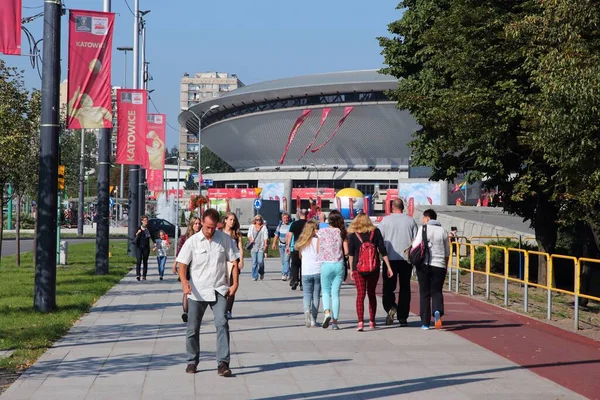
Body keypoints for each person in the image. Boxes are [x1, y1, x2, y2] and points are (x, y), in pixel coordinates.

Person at [176, 208, 240, 376]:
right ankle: (192, 361)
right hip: (197, 291)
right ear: (202, 223)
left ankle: (223, 364)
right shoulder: (192, 241)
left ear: (218, 225)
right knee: (192, 328)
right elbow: (182, 264)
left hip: (219, 289)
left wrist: (235, 284)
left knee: (222, 323)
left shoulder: (224, 239)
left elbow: (233, 261)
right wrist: (184, 282)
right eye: (207, 227)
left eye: (213, 227)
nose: (209, 231)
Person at [348, 213, 393, 331]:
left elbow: (351, 254)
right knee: (371, 294)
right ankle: (372, 322)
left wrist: (351, 269)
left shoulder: (353, 235)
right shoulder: (375, 232)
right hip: (374, 268)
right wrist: (388, 267)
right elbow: (382, 250)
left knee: (360, 295)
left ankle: (360, 322)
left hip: (359, 268)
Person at [378, 198, 418, 326]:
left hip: (389, 259)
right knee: (405, 288)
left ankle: (390, 306)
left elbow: (379, 239)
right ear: (403, 207)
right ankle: (403, 317)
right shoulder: (410, 221)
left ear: (392, 207)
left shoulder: (385, 220)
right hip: (406, 259)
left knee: (388, 288)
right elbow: (416, 240)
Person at [411, 209, 450, 330]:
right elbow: (447, 252)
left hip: (424, 266)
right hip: (440, 265)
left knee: (424, 293)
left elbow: (415, 246)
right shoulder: (443, 231)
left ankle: (425, 323)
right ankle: (437, 311)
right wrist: (445, 266)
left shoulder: (423, 229)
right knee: (437, 291)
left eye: (423, 218)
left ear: (427, 218)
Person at [317, 212, 348, 330]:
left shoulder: (321, 232)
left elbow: (318, 249)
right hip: (339, 265)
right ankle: (335, 323)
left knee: (325, 291)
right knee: (335, 294)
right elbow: (346, 252)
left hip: (326, 264)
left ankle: (326, 313)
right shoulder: (342, 233)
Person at [173, 216, 201, 323]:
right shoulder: (186, 237)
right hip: (187, 266)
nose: (197, 226)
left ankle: (194, 311)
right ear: (191, 225)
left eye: (199, 224)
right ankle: (186, 312)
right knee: (187, 288)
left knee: (196, 289)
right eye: (195, 224)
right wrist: (175, 263)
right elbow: (180, 251)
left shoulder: (202, 236)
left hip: (198, 266)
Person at [294, 221, 322, 327]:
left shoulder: (302, 241)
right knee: (316, 296)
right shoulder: (318, 240)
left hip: (306, 271)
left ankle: (306, 312)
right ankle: (314, 319)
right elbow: (320, 253)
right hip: (318, 270)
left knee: (306, 294)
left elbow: (300, 256)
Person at [223, 212, 244, 319]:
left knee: (232, 286)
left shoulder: (236, 234)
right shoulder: (220, 233)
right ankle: (222, 308)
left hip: (234, 263)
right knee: (222, 286)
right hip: (222, 262)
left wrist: (241, 260)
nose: (232, 222)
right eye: (230, 219)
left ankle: (228, 310)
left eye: (233, 220)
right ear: (225, 220)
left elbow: (240, 248)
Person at [286, 209, 308, 290]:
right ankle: (302, 283)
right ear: (307, 214)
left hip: (296, 247)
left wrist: (288, 246)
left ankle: (295, 280)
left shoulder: (294, 224)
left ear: (299, 214)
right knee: (304, 266)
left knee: (294, 264)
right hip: (306, 247)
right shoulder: (309, 224)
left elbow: (290, 235)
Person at [271, 212, 292, 281]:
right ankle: (290, 273)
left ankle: (284, 274)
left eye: (287, 218)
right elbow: (276, 235)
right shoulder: (280, 225)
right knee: (283, 261)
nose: (286, 219)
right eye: (284, 218)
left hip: (288, 246)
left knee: (286, 260)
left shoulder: (291, 225)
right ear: (282, 219)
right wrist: (274, 243)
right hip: (281, 245)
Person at [248, 214, 268, 281]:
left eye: (259, 219)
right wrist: (251, 240)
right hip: (253, 247)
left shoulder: (264, 227)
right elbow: (249, 235)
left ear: (261, 220)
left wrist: (265, 245)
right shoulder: (252, 226)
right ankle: (254, 276)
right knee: (254, 262)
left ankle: (261, 272)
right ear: (255, 220)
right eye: (257, 220)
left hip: (261, 247)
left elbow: (265, 237)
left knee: (260, 261)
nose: (258, 221)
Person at [133, 215, 152, 281]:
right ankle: (138, 274)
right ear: (142, 221)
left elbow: (152, 236)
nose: (146, 221)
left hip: (146, 247)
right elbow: (134, 236)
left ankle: (144, 275)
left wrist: (155, 243)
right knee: (138, 260)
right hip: (139, 247)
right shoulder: (138, 228)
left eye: (147, 220)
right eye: (144, 220)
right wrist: (137, 233)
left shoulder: (148, 228)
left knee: (145, 261)